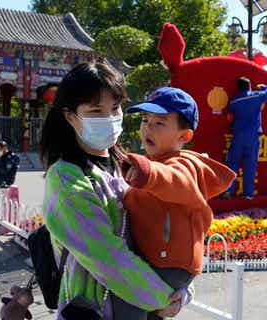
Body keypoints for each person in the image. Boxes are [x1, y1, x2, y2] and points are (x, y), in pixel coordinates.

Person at [40, 63, 185, 319]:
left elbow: (166, 230)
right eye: (96, 110)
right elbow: (107, 257)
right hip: (93, 310)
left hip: (143, 308)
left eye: (115, 108)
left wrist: (182, 289)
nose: (109, 118)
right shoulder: (65, 179)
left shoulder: (129, 166)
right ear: (70, 116)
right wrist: (162, 298)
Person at [122, 87, 236, 320]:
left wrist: (148, 173)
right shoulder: (155, 162)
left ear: (183, 137)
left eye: (159, 123)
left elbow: (176, 180)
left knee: (125, 305)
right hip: (158, 259)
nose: (147, 128)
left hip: (168, 263)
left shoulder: (183, 164)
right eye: (145, 120)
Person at [224, 77, 267, 199]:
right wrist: (263, 86)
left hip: (238, 134)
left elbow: (230, 117)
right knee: (250, 165)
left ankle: (228, 191)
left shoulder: (234, 101)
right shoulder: (256, 96)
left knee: (232, 163)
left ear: (238, 87)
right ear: (249, 86)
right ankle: (248, 194)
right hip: (252, 136)